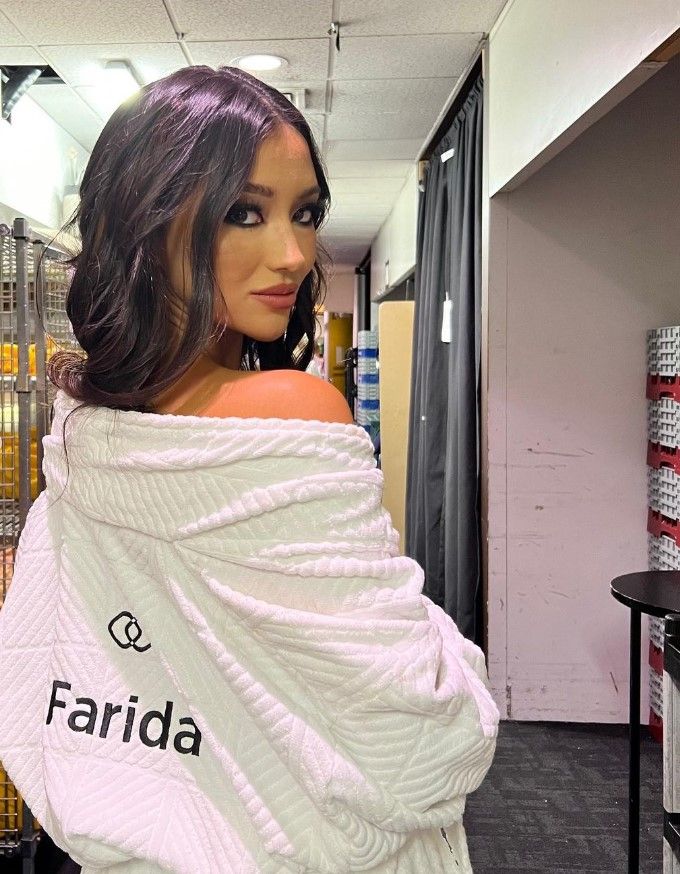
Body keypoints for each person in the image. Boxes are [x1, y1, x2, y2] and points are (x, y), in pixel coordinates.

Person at [0, 66, 498, 874]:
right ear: (148, 221)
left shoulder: (83, 435)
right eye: (244, 213)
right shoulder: (295, 409)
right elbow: (423, 733)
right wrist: (453, 653)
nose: (294, 254)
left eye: (305, 214)